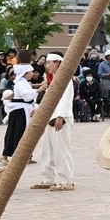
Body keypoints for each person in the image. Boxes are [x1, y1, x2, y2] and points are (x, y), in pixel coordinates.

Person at [31, 52, 75, 192]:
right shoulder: (52, 79)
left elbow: (66, 99)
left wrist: (60, 116)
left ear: (57, 63)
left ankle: (66, 181)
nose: (47, 65)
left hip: (61, 117)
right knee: (47, 150)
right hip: (50, 117)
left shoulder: (65, 79)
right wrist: (39, 109)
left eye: (50, 62)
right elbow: (49, 98)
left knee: (61, 150)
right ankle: (48, 178)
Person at [0, 64, 38, 163]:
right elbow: (26, 96)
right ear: (25, 73)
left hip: (25, 110)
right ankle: (5, 156)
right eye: (31, 72)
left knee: (25, 133)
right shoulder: (20, 83)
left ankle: (26, 156)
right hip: (19, 111)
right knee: (15, 133)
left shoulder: (25, 83)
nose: (32, 74)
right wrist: (38, 90)